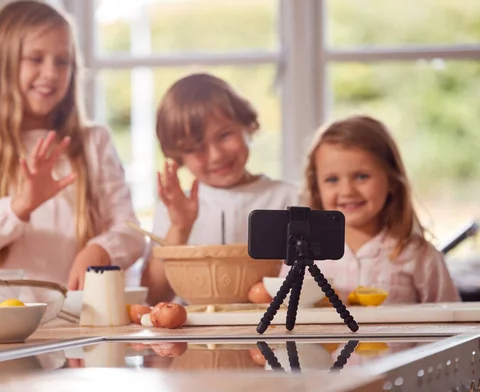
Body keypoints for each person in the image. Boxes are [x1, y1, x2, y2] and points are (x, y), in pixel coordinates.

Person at [0, 0, 145, 290]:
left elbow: (131, 232)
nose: (51, 73)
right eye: (35, 58)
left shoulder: (94, 142)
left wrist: (103, 249)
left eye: (63, 61)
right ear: (1, 64)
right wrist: (20, 206)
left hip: (78, 319)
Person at [139, 73, 298, 304]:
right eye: (196, 148)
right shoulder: (174, 210)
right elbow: (154, 296)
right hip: (194, 336)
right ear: (178, 156)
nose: (216, 155)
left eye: (224, 135)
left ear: (247, 125)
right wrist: (180, 227)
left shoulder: (290, 198)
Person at [296, 114, 460, 303]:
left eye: (361, 176)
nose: (347, 191)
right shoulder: (302, 253)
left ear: (391, 180)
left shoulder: (419, 255)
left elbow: (451, 320)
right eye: (332, 179)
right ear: (317, 189)